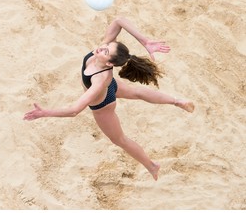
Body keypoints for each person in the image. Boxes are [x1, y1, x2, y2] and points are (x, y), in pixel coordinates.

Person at [23, 16, 194, 181]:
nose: (102, 48)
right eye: (106, 46)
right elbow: (119, 20)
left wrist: (45, 112)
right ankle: (177, 101)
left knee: (120, 140)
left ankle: (151, 165)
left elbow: (74, 110)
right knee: (137, 93)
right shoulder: (100, 54)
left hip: (103, 104)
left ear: (110, 64)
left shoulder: (100, 80)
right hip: (113, 85)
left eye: (106, 51)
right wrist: (145, 41)